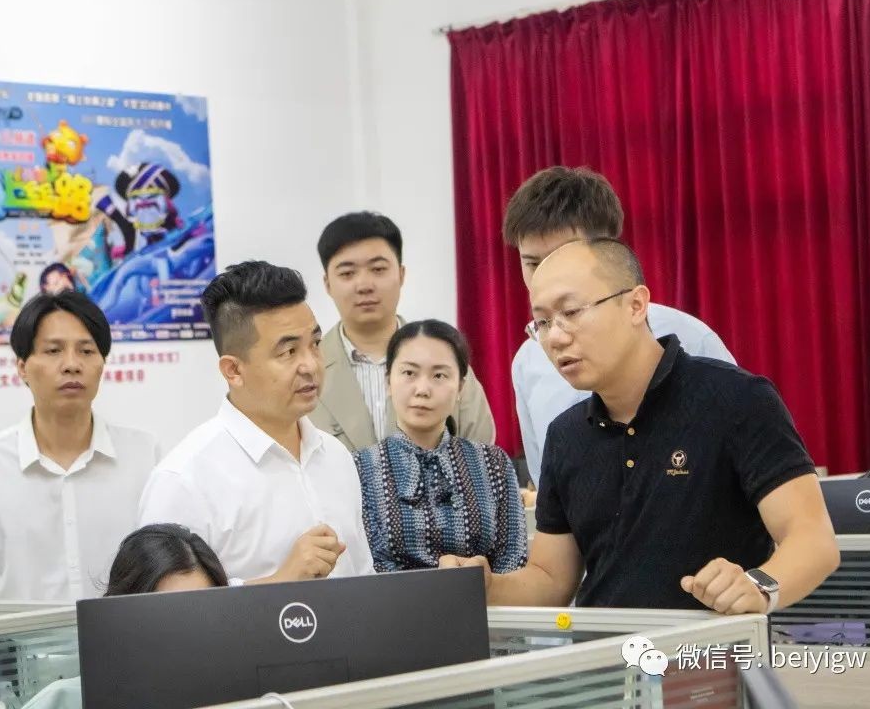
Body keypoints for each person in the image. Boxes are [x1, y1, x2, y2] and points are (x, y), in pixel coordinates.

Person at [441, 239, 840, 613]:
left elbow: (812, 540)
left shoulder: (736, 399)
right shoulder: (566, 435)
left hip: (708, 654)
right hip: (603, 656)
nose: (555, 338)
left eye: (571, 312)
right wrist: (488, 587)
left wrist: (758, 586)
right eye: (542, 323)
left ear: (635, 305)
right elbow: (551, 579)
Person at [138, 261, 374, 582]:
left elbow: (363, 576)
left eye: (315, 344)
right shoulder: (184, 479)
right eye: (288, 352)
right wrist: (281, 580)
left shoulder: (336, 456)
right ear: (234, 370)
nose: (310, 365)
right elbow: (163, 607)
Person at [504, 167, 735, 490]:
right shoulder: (528, 363)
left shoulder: (692, 339)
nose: (547, 275)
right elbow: (548, 487)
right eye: (532, 263)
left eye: (562, 256)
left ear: (608, 249)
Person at [0, 291, 160, 601]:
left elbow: (167, 576)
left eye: (86, 351)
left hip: (125, 634)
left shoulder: (145, 456)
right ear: (22, 367)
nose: (72, 365)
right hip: (18, 636)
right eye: (53, 350)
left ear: (102, 364)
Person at [309, 211, 495, 452]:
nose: (364, 285)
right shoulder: (307, 371)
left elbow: (480, 451)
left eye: (378, 269)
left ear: (401, 274)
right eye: (347, 273)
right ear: (327, 284)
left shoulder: (445, 360)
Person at [354, 320, 527, 573]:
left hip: (483, 596)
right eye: (409, 373)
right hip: (391, 599)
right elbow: (367, 564)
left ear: (460, 387)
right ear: (388, 381)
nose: (422, 390)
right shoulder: (359, 468)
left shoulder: (493, 463)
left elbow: (513, 558)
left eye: (439, 375)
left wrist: (478, 580)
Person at [20, 523, 228, 709]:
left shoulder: (235, 697)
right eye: (165, 620)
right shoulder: (62, 701)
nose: (182, 639)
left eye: (197, 616)